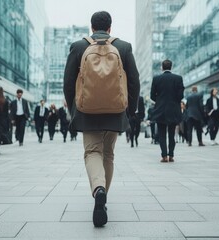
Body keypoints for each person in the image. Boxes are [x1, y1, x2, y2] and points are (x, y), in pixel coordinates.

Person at [63, 11, 140, 227]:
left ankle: (99, 189)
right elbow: (134, 82)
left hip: (87, 111)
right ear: (110, 28)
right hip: (115, 110)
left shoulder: (79, 47)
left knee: (92, 152)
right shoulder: (123, 47)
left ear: (91, 27)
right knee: (108, 153)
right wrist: (130, 111)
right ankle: (103, 193)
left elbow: (68, 82)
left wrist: (73, 110)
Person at [150, 59, 184, 162]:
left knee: (161, 134)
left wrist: (159, 101)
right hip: (173, 110)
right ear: (171, 67)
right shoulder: (178, 78)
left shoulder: (156, 79)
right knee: (171, 133)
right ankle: (171, 155)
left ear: (162, 67)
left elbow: (152, 96)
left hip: (160, 110)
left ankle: (164, 156)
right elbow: (181, 96)